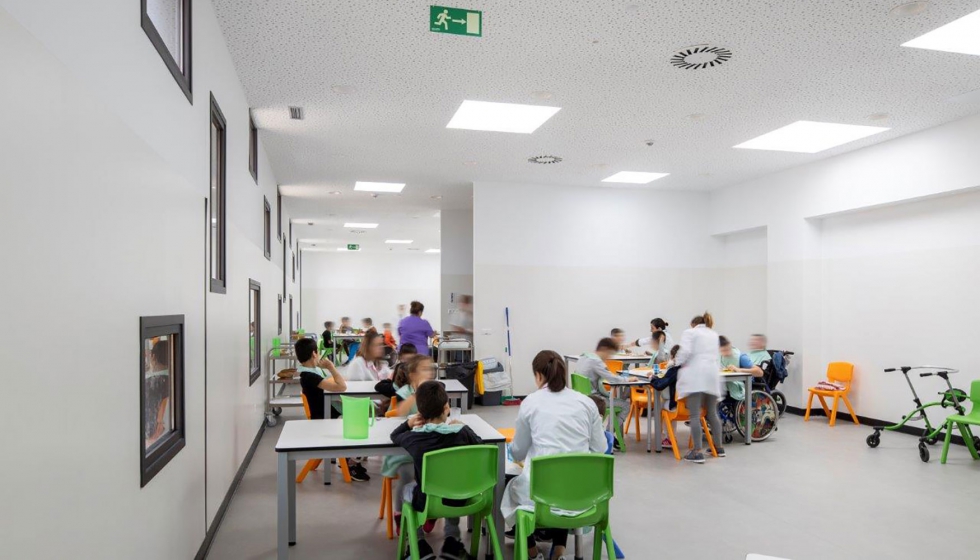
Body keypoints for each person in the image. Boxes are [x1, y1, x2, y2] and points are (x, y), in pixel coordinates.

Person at [502, 351, 608, 560]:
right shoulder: (586, 403)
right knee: (565, 483)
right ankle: (559, 551)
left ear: (539, 375)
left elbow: (518, 451)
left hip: (542, 494)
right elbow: (601, 448)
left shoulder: (531, 402)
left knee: (511, 491)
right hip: (585, 495)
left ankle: (532, 552)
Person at [390, 381, 483, 560]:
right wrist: (463, 425)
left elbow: (394, 436)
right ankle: (452, 542)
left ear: (420, 412)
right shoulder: (462, 432)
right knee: (450, 484)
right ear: (446, 407)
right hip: (462, 497)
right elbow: (479, 445)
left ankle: (419, 545)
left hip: (427, 501)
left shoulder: (414, 438)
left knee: (407, 489)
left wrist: (408, 424)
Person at [295, 338, 368, 483]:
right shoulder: (309, 376)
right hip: (323, 416)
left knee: (358, 413)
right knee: (357, 421)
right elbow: (341, 387)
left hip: (326, 410)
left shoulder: (310, 371)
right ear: (314, 354)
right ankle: (351, 462)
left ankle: (353, 458)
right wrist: (332, 367)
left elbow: (332, 382)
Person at [382, 354, 437, 531]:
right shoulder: (404, 393)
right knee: (408, 474)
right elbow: (398, 414)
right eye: (424, 369)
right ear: (413, 375)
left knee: (437, 471)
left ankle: (430, 511)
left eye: (430, 369)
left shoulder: (433, 391)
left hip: (427, 449)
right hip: (403, 451)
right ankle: (400, 513)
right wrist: (416, 395)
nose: (429, 373)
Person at [674, 312, 724, 464]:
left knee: (694, 415)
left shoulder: (690, 332)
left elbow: (684, 352)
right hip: (713, 375)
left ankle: (697, 452)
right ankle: (719, 448)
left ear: (693, 324)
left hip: (696, 376)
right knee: (712, 413)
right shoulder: (713, 334)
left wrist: (675, 363)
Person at [574, 338, 630, 433]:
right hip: (594, 400)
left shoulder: (583, 357)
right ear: (604, 349)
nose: (608, 357)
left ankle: (607, 433)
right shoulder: (596, 362)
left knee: (615, 400)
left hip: (581, 398)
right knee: (625, 405)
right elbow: (612, 379)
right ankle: (608, 434)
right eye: (609, 353)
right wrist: (628, 379)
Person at [719, 335, 764, 403]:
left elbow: (760, 372)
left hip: (745, 384)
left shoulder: (741, 357)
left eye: (726, 349)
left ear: (729, 345)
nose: (725, 353)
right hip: (727, 383)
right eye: (723, 351)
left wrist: (739, 370)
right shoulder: (721, 356)